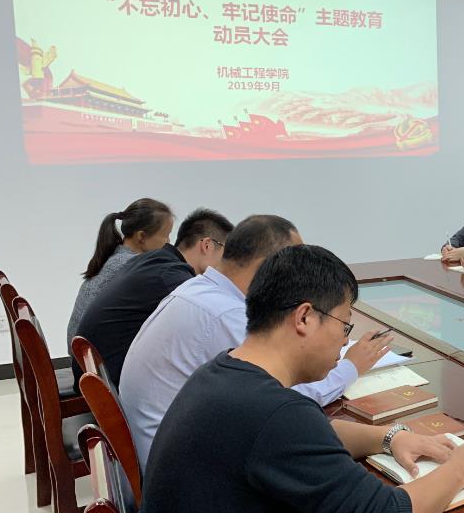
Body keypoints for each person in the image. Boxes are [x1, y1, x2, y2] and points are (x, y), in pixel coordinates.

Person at [139, 244, 464, 513]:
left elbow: (315, 433)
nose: (344, 341)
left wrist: (391, 436)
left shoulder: (225, 372)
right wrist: (461, 469)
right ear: (305, 318)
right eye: (344, 326)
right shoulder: (275, 414)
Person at [120, 215, 394, 468]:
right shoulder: (227, 314)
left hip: (165, 449)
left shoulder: (199, 288)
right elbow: (292, 397)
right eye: (295, 263)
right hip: (178, 466)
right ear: (269, 266)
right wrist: (351, 366)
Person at [72, 208, 234, 387]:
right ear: (207, 245)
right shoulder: (172, 278)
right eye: (227, 252)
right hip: (108, 386)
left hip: (92, 372)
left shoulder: (154, 262)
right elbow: (216, 320)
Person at [67, 198, 174, 339]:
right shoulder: (136, 268)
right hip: (96, 350)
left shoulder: (113, 258)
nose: (169, 242)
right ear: (141, 236)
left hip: (80, 349)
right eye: (166, 235)